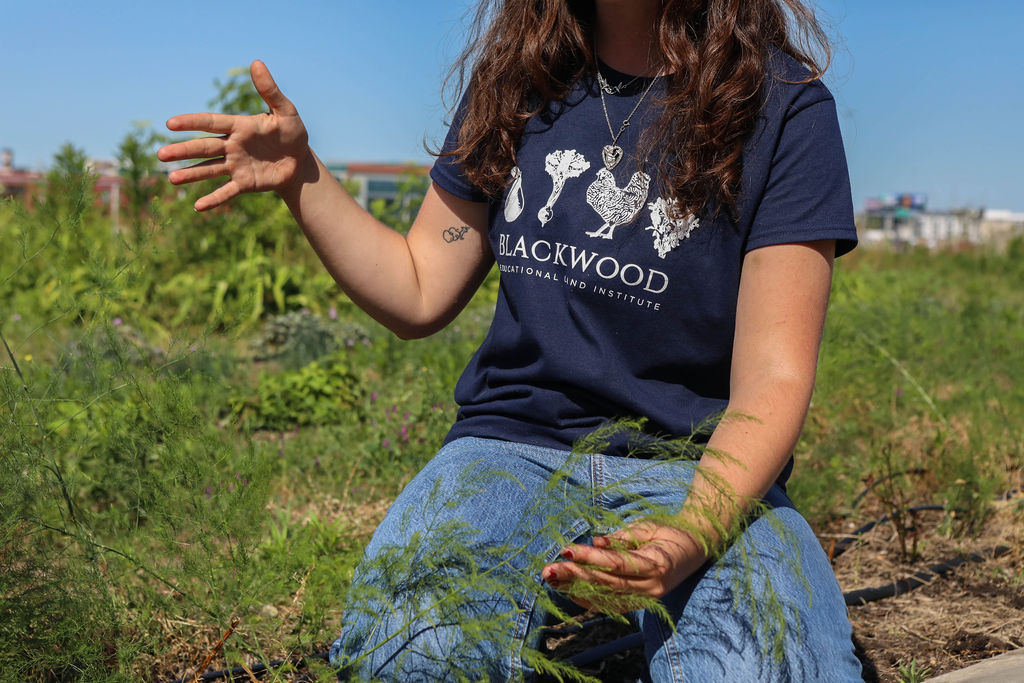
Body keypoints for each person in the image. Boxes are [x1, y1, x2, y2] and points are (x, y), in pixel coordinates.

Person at [159, 0, 863, 679]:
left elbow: (774, 377)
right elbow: (418, 286)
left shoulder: (782, 107)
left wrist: (690, 534)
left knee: (771, 667)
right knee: (413, 655)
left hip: (701, 464)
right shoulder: (522, 81)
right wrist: (303, 177)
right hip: (508, 450)